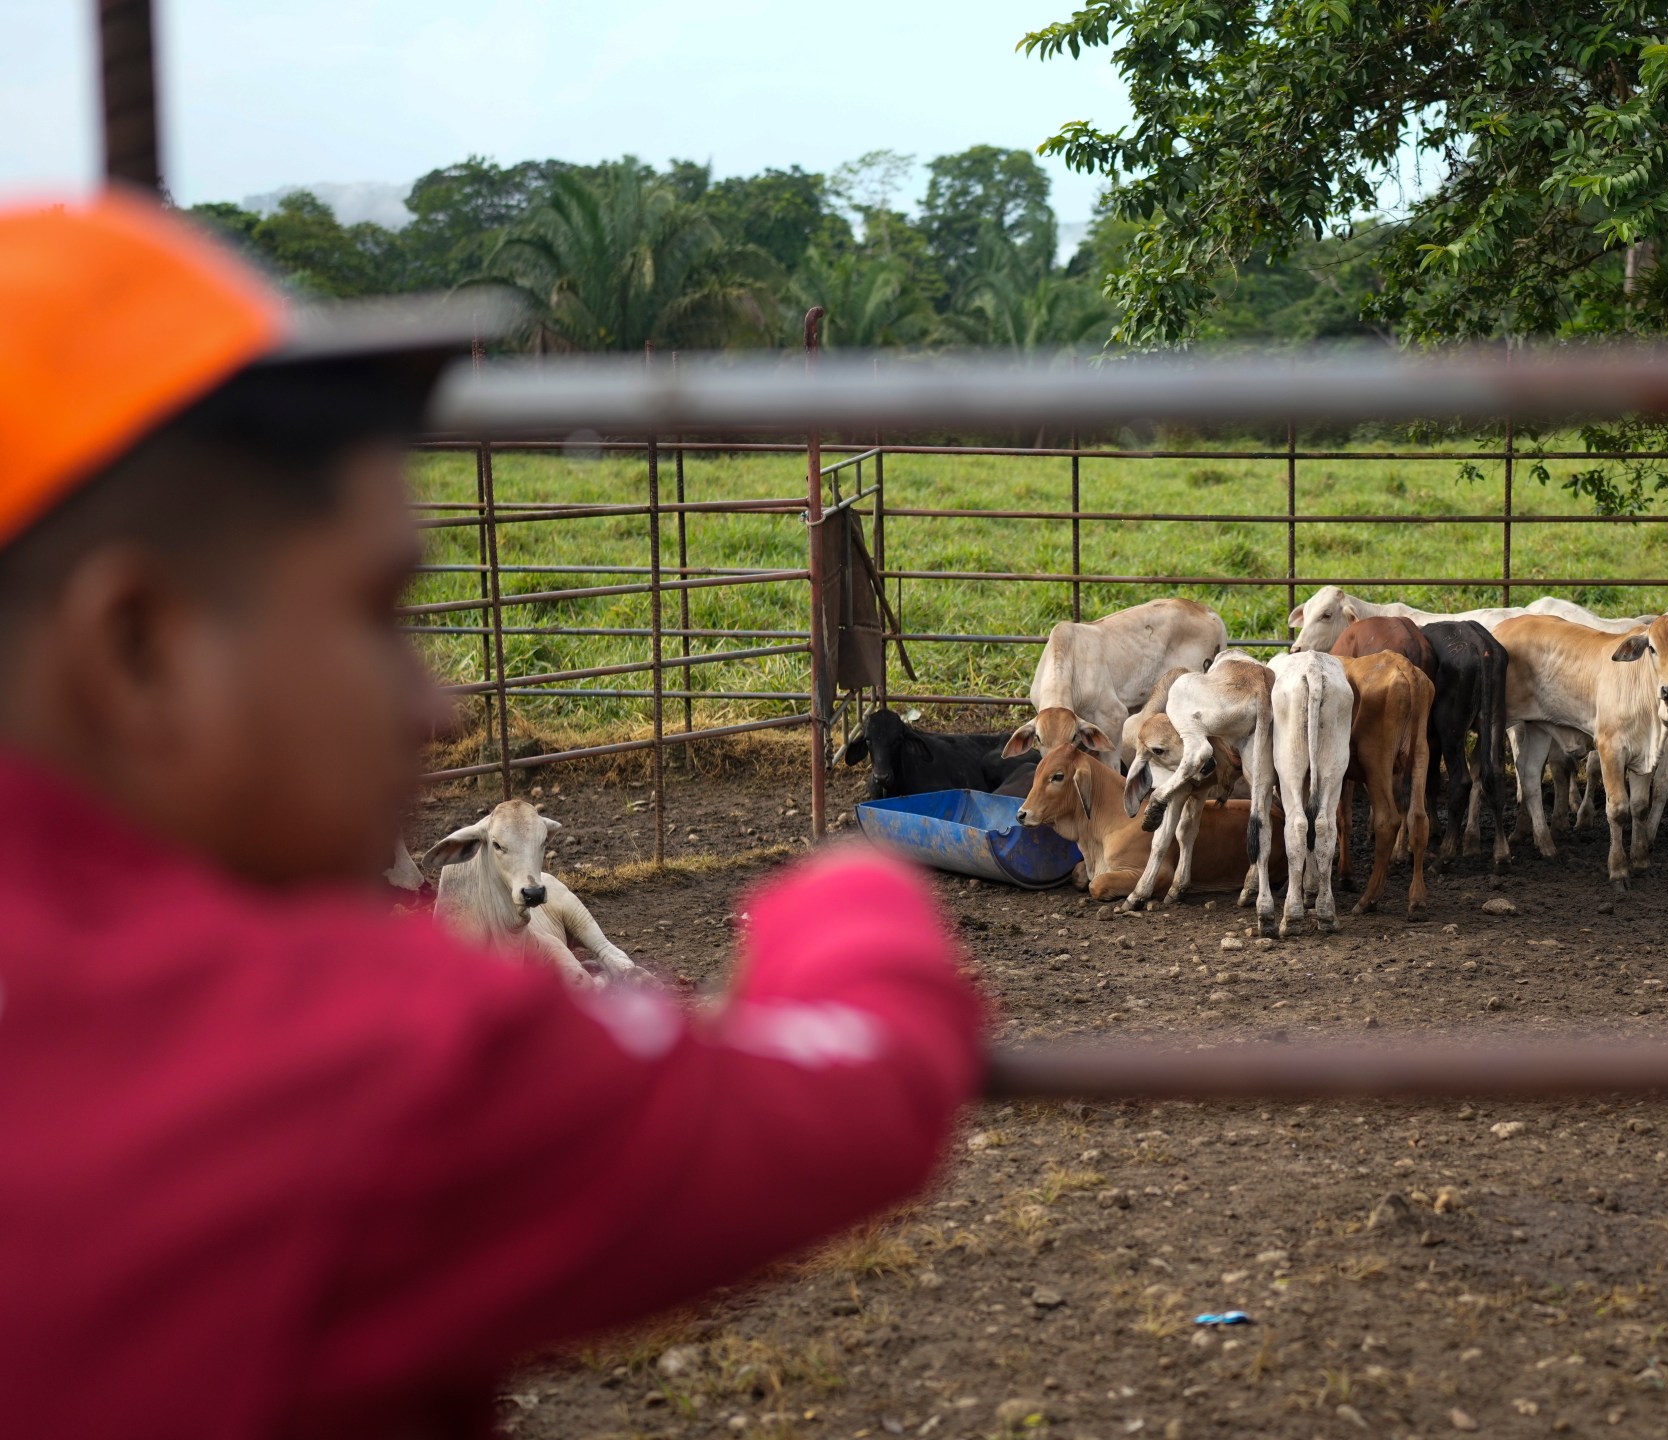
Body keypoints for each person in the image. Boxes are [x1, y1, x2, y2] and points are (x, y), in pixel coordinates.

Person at [0, 191, 985, 1439]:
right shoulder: (341, 1058)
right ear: (138, 651)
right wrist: (848, 893)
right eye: (374, 614)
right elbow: (857, 1088)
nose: (441, 704)